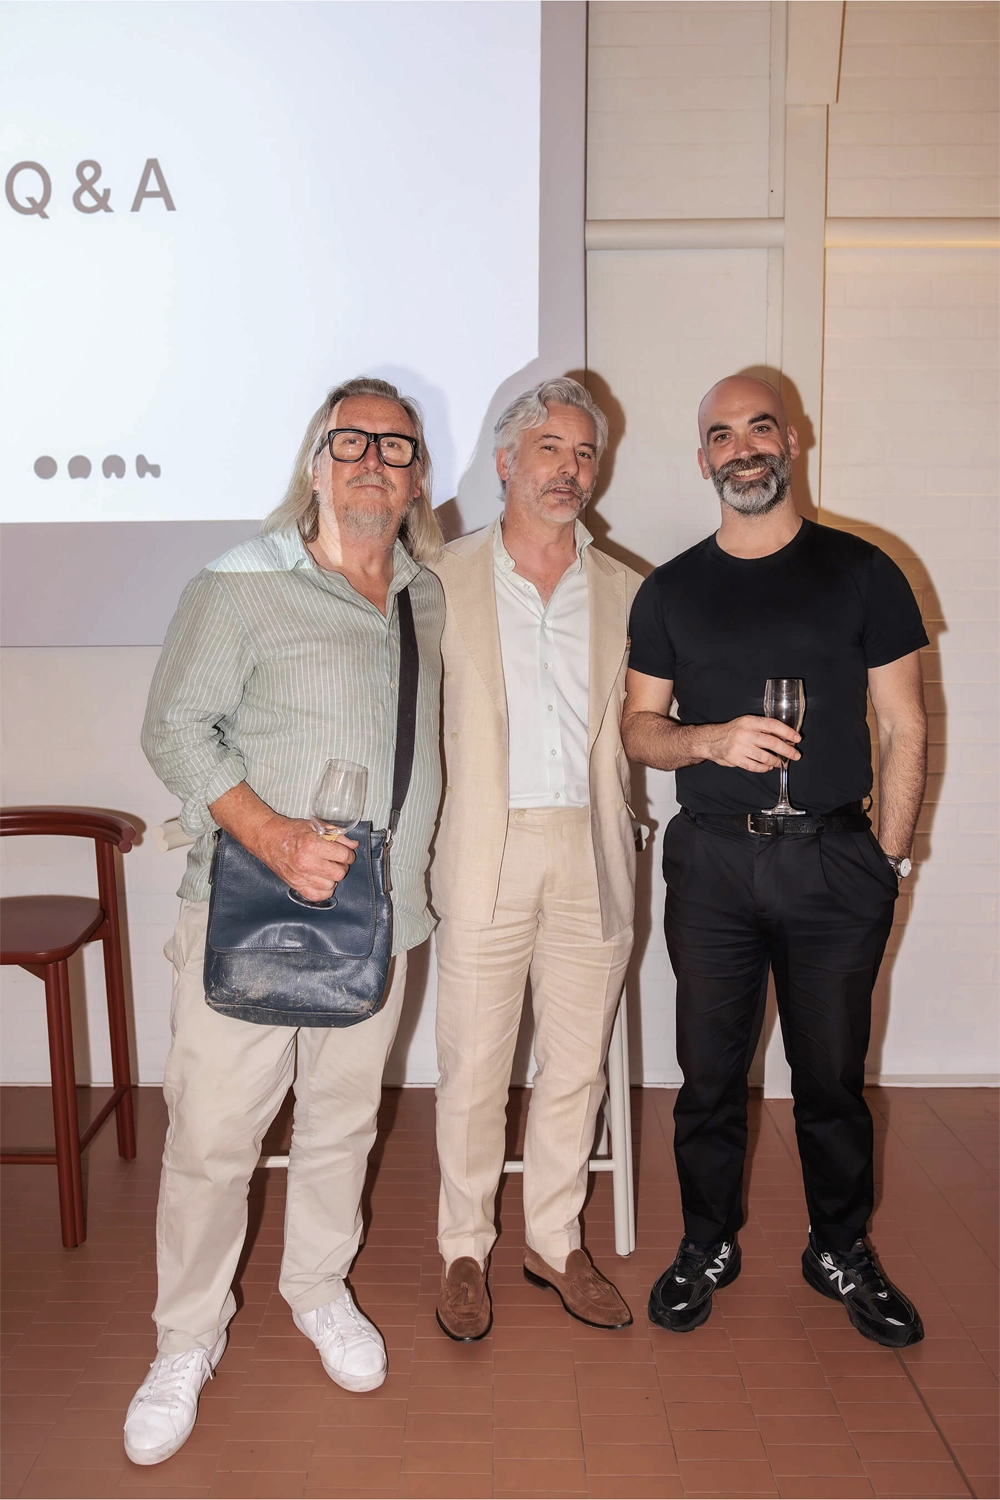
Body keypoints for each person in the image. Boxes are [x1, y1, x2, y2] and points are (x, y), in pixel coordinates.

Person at [126, 377, 445, 1465]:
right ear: (315, 461)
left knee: (343, 1125)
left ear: (415, 477)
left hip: (375, 924)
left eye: (394, 447)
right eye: (348, 440)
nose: (371, 459)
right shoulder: (241, 582)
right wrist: (270, 835)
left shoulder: (423, 594)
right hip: (245, 914)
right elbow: (175, 728)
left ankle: (316, 1289)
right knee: (214, 1140)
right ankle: (184, 1341)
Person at [623, 375, 928, 1349]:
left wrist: (889, 860)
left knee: (831, 1076)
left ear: (791, 438)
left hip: (837, 863)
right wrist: (706, 742)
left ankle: (838, 1247)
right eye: (720, 434)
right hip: (712, 867)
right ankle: (706, 1242)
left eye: (759, 426)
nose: (741, 447)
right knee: (707, 1076)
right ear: (702, 457)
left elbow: (903, 724)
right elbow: (638, 729)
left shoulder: (864, 570)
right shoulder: (668, 588)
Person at [431, 377, 641, 1340]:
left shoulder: (629, 590)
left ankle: (554, 1242)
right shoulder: (439, 577)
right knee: (473, 1066)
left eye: (584, 453)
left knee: (576, 1067)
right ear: (506, 460)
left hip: (590, 849)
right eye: (549, 448)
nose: (570, 469)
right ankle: (463, 1248)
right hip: (484, 848)